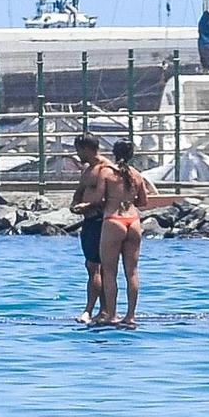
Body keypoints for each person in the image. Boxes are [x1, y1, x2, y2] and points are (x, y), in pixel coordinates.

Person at [97, 140, 150, 328]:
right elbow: (143, 201)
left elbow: (98, 198)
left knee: (109, 271)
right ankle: (130, 316)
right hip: (133, 221)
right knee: (132, 272)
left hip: (113, 220)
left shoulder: (107, 173)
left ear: (113, 152)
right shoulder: (137, 175)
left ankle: (111, 314)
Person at [68, 133, 110, 323]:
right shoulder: (87, 170)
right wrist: (76, 204)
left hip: (100, 221)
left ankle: (90, 310)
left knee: (96, 267)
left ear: (87, 149)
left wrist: (88, 206)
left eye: (79, 150)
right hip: (89, 223)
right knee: (92, 266)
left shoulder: (105, 169)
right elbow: (79, 191)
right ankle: (102, 310)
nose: (77, 154)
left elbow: (105, 197)